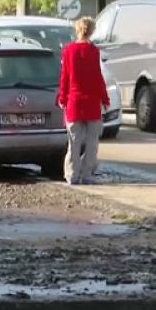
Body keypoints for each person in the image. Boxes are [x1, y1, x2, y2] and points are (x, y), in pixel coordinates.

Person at [57, 17, 111, 185]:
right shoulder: (94, 52)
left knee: (74, 142)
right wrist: (105, 99)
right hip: (92, 102)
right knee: (92, 143)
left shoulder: (68, 51)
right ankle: (87, 175)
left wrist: (62, 97)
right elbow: (97, 77)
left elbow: (65, 77)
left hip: (74, 102)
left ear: (77, 30)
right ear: (92, 31)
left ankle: (71, 175)